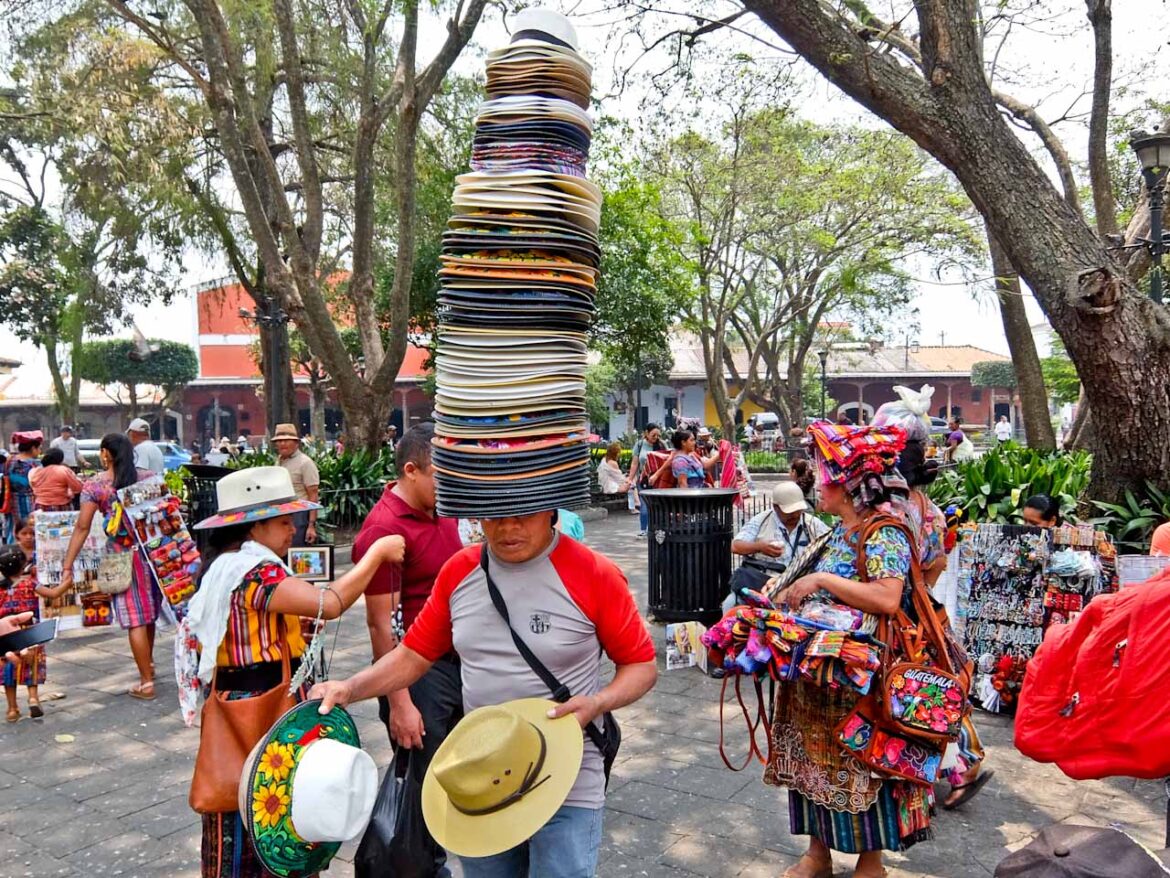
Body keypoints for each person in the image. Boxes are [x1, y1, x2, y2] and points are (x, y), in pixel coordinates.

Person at [311, 510, 658, 877]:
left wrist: (599, 702)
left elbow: (641, 666)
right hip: (480, 781)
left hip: (567, 776)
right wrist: (350, 687)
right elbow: (414, 655)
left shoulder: (593, 573)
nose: (508, 528)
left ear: (551, 512)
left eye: (522, 516)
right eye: (494, 518)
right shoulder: (459, 571)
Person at [185, 466, 404, 878]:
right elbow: (332, 603)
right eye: (284, 521)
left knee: (249, 807)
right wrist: (377, 554)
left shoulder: (227, 568)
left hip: (236, 702)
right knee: (275, 803)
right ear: (255, 526)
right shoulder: (256, 572)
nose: (292, 529)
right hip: (261, 709)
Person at [766, 421, 929, 878]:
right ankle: (817, 854)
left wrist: (819, 581)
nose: (815, 483)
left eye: (823, 476)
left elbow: (886, 598)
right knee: (810, 764)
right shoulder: (834, 532)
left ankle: (869, 862)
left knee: (863, 763)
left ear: (849, 485)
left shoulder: (883, 533)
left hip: (861, 682)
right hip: (817, 680)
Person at [352, 422, 464, 876]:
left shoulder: (442, 509)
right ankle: (415, 867)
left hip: (456, 662)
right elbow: (382, 624)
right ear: (411, 471)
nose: (449, 484)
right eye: (442, 474)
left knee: (446, 772)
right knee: (421, 778)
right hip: (417, 671)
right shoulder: (383, 529)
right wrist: (399, 701)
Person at [893, 438, 992, 811]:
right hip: (924, 609)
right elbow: (937, 563)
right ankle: (959, 762)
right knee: (939, 684)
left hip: (899, 611)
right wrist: (921, 593)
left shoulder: (891, 508)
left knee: (920, 690)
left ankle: (952, 765)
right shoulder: (930, 509)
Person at [60, 433, 161, 699]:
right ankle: (148, 664)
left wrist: (67, 564)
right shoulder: (148, 477)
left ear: (105, 453)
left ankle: (146, 681)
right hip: (152, 553)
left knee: (135, 618)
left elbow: (82, 527)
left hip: (120, 555)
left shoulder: (95, 486)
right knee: (148, 612)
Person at [728, 482, 829, 606]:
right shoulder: (761, 520)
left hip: (799, 588)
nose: (795, 515)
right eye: (790, 511)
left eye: (798, 510)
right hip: (764, 584)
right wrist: (759, 547)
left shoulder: (813, 524)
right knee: (730, 603)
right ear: (775, 507)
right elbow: (735, 546)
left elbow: (832, 547)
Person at [271, 423, 320, 546]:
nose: (282, 444)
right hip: (280, 513)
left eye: (286, 440)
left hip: (299, 515)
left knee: (296, 554)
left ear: (296, 443)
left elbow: (313, 495)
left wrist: (311, 525)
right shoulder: (278, 461)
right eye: (279, 441)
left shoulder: (305, 463)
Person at [628, 423, 666, 537]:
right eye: (653, 435)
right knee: (644, 506)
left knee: (658, 506)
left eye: (658, 435)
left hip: (659, 481)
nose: (656, 438)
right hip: (643, 480)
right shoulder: (639, 445)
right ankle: (644, 530)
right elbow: (635, 463)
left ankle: (656, 529)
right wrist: (630, 479)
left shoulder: (662, 445)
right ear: (646, 433)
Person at [4, 435, 42, 541]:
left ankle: (11, 549)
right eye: (39, 448)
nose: (39, 451)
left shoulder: (10, 460)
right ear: (33, 448)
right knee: (30, 526)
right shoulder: (34, 464)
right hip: (30, 500)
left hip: (11, 500)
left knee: (13, 526)